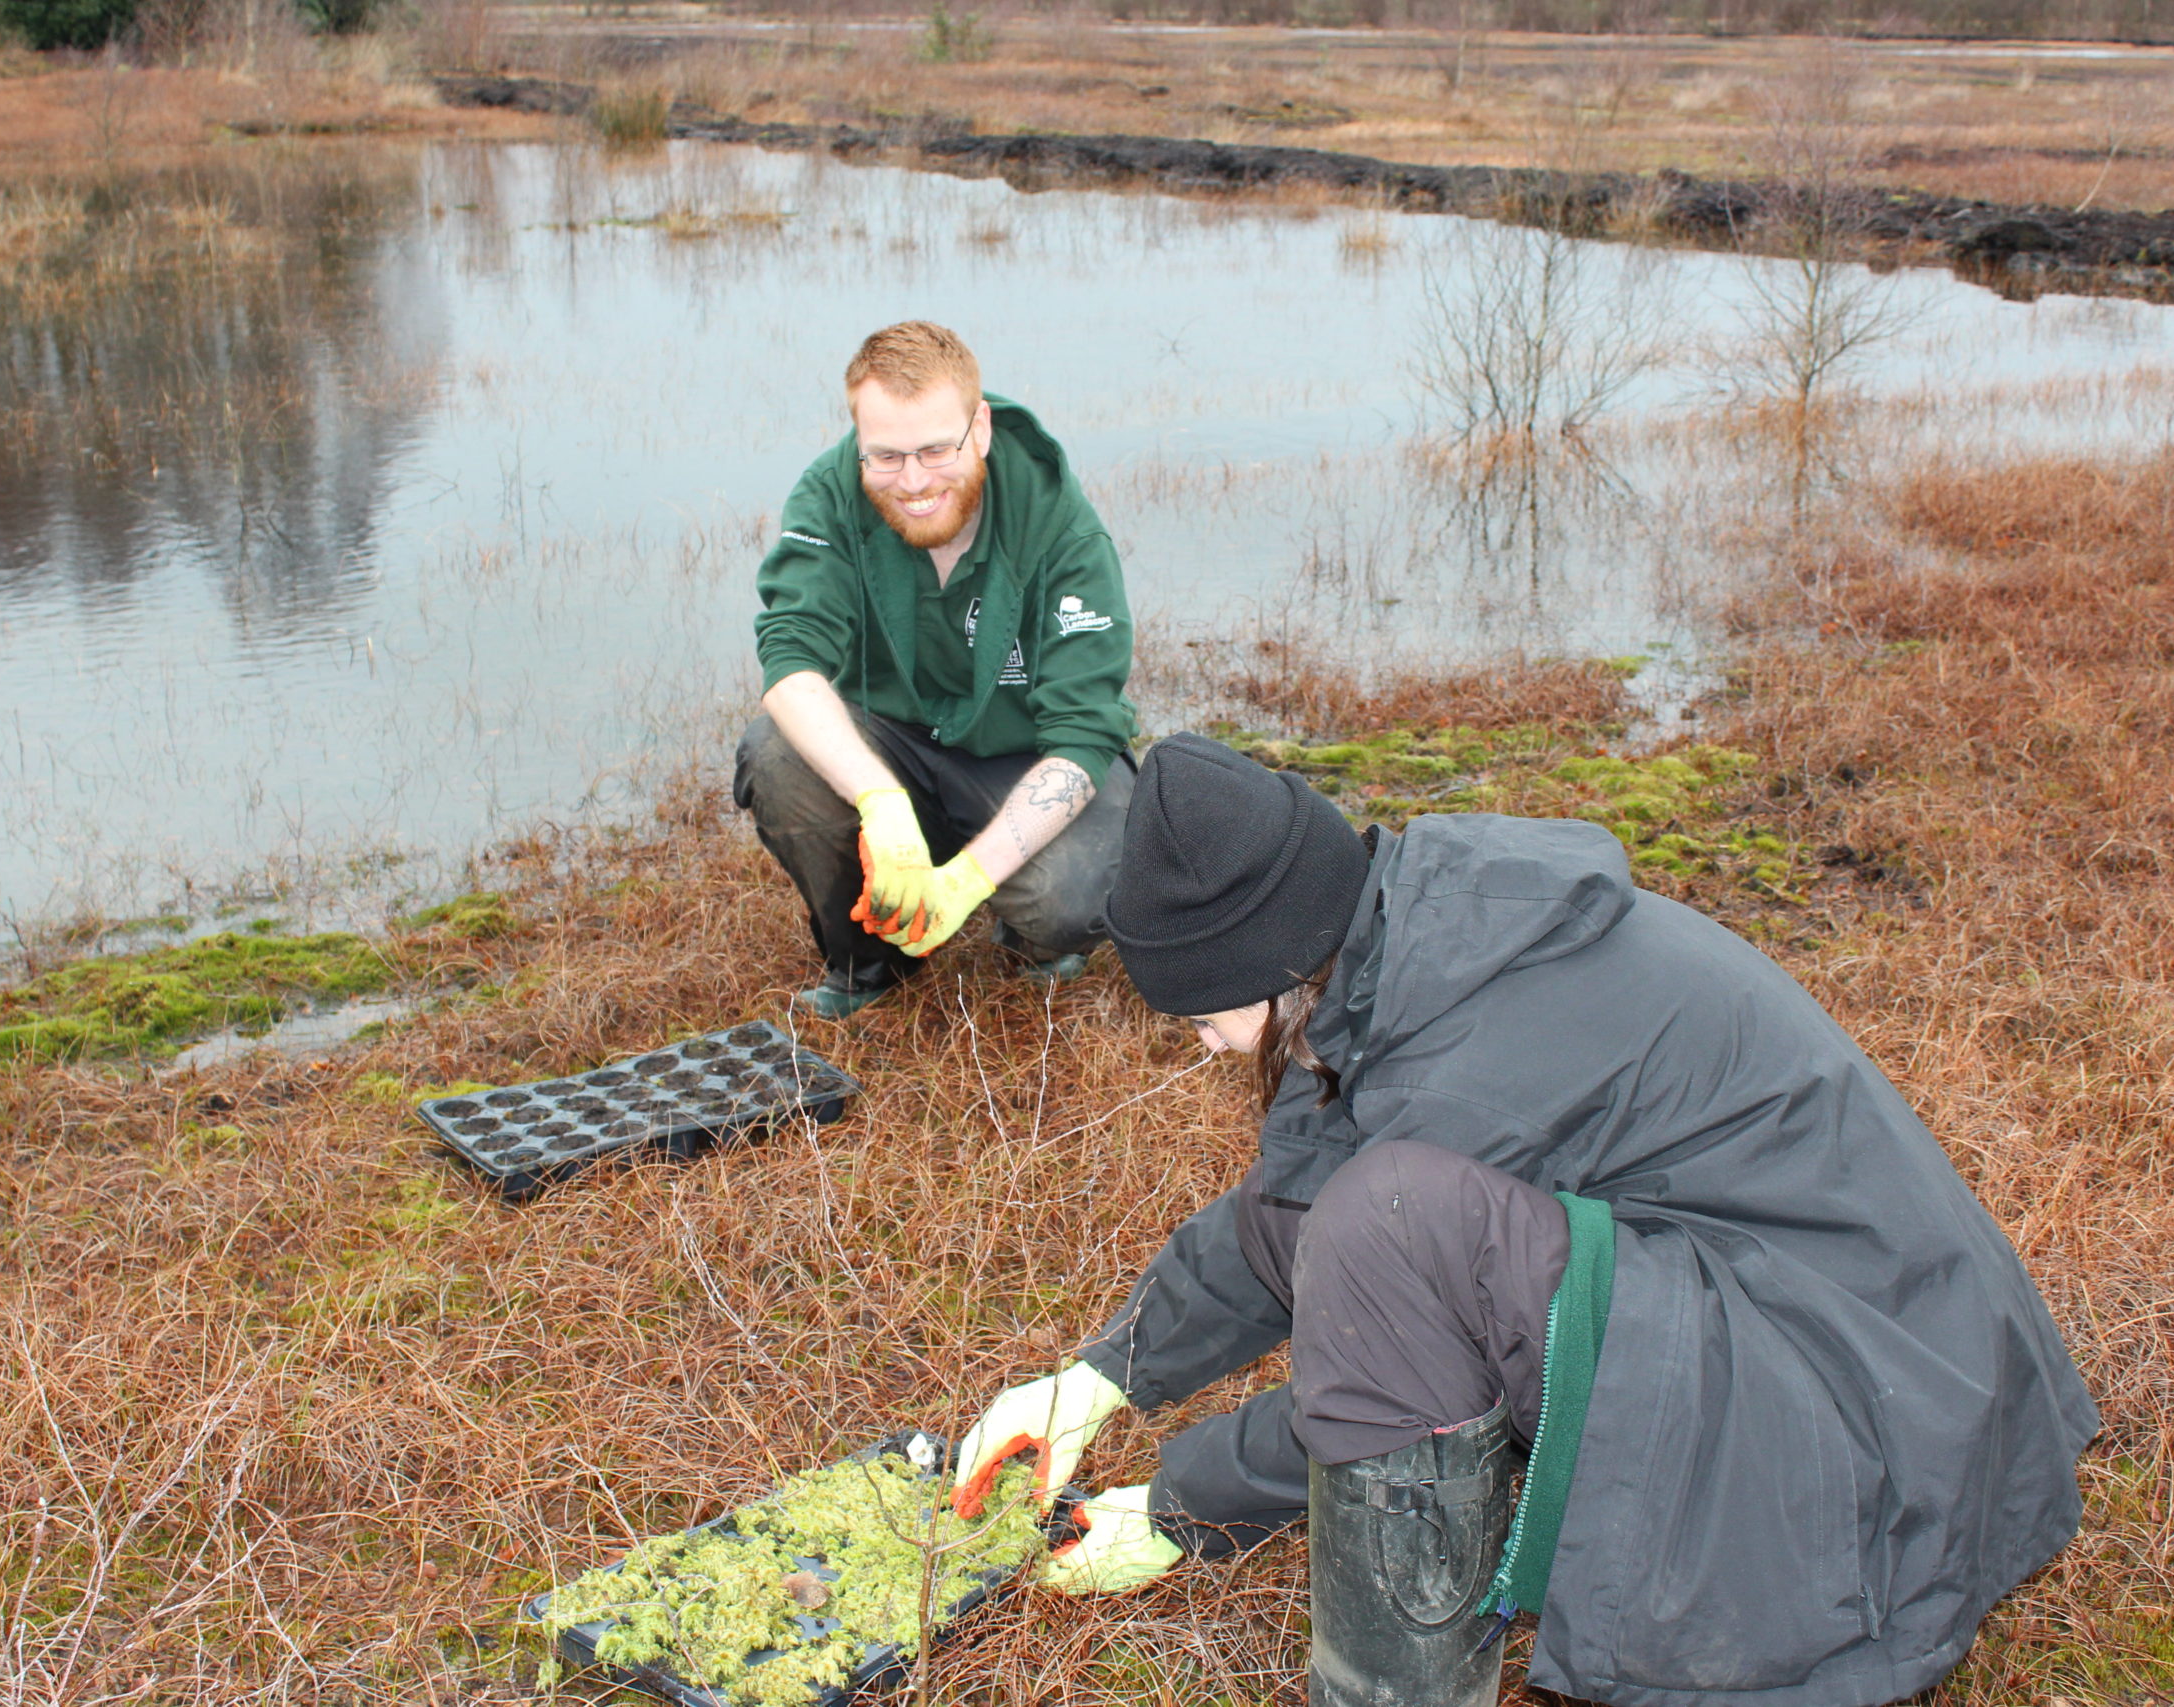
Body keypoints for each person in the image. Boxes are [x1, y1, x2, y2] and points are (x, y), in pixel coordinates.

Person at [952, 734, 2099, 1707]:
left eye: (1199, 1015)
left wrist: (1176, 1505)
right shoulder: (1415, 930)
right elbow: (1296, 1189)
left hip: (1865, 1444)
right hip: (1899, 1357)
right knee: (1377, 1208)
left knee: (1390, 1224)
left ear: (1273, 961)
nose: (1194, 1041)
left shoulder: (1457, 1073)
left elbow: (1370, 1360)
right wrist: (1100, 1377)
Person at [736, 322, 1138, 1019]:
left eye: (934, 449)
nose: (914, 481)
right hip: (892, 749)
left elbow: (1082, 737)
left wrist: (972, 876)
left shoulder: (1062, 528)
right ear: (859, 439)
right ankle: (872, 954)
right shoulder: (829, 496)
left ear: (978, 427)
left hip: (1022, 754)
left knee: (1070, 894)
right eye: (885, 456)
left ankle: (1022, 924)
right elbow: (790, 659)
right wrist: (879, 803)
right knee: (773, 752)